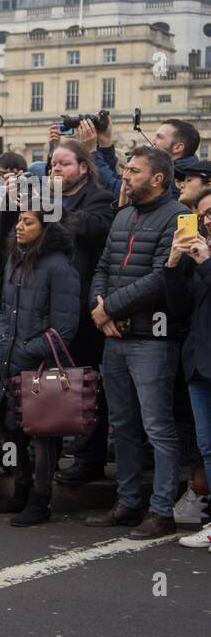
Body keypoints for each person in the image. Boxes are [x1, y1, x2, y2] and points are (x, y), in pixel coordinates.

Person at [86, 146, 184, 539]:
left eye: (134, 171)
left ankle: (161, 510)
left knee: (157, 426)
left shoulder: (179, 216)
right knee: (122, 425)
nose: (125, 176)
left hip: (154, 339)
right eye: (126, 170)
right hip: (116, 337)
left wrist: (107, 307)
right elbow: (104, 266)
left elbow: (163, 277)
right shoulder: (123, 214)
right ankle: (127, 502)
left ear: (158, 178)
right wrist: (100, 308)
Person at [0, 209, 80, 525]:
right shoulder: (15, 258)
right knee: (9, 426)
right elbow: (5, 311)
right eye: (19, 221)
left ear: (46, 227)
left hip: (39, 365)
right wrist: (3, 344)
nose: (20, 226)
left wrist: (26, 351)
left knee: (42, 434)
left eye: (28, 222)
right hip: (9, 358)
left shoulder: (60, 267)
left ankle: (41, 499)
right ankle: (21, 490)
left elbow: (64, 328)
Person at [49, 139, 116, 486]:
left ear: (83, 168)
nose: (56, 170)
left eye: (63, 164)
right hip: (49, 303)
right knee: (52, 381)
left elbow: (90, 227)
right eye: (53, 165)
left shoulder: (99, 198)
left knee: (86, 382)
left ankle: (89, 456)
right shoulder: (45, 200)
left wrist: (49, 206)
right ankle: (51, 449)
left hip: (83, 305)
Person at [164, 187, 211, 549]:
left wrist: (206, 263)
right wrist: (173, 265)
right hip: (198, 363)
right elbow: (179, 310)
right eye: (203, 214)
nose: (207, 219)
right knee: (207, 446)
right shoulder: (198, 258)